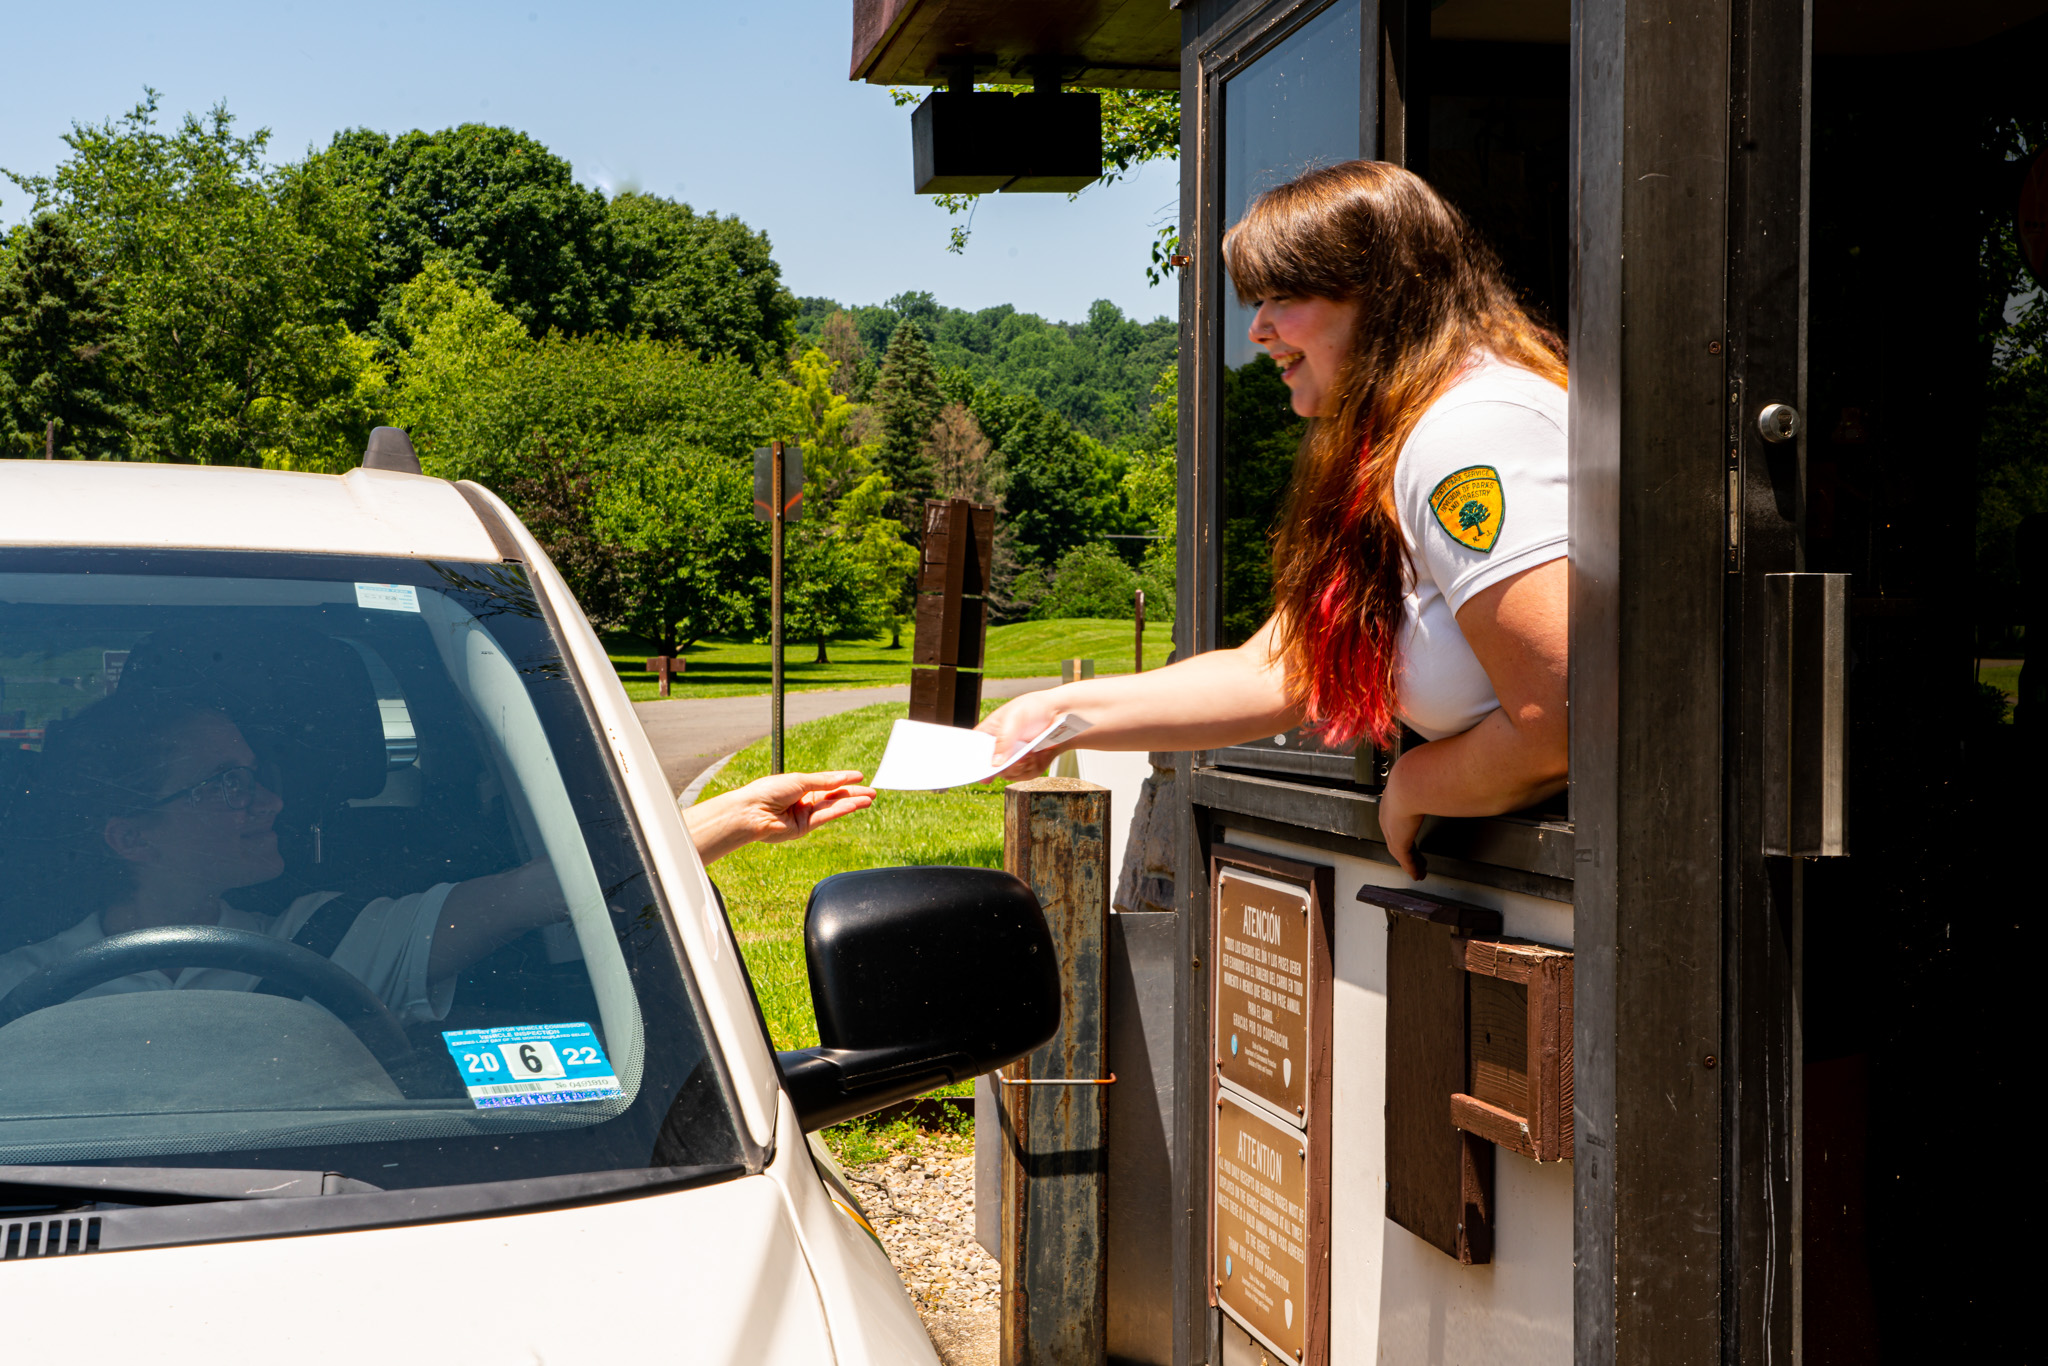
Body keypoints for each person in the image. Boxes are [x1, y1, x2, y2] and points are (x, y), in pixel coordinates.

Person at [979, 161, 1569, 879]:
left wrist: (1418, 781)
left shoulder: (1468, 433)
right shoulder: (1405, 437)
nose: (1257, 329)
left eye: (1283, 297)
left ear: (1387, 297)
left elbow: (1559, 719)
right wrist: (1056, 713)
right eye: (1255, 301)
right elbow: (1281, 670)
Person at [0, 692, 872, 1016]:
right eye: (223, 785)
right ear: (131, 835)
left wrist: (728, 820)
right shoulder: (20, 988)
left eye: (256, 775)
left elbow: (544, 890)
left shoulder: (326, 939)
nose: (268, 800)